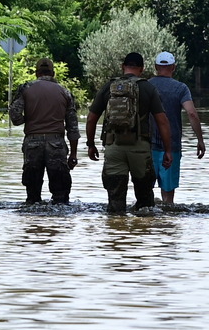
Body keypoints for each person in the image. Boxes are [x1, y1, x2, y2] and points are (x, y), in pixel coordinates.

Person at [86, 52, 174, 213]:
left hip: (113, 147)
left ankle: (117, 233)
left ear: (123, 67)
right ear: (141, 69)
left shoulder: (109, 86)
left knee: (115, 201)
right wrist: (168, 150)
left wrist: (91, 145)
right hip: (139, 148)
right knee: (145, 202)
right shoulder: (148, 87)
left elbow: (91, 119)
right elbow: (162, 121)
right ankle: (141, 233)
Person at [9, 57, 80, 204]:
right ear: (53, 73)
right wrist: (73, 154)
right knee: (61, 197)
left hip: (32, 143)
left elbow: (15, 116)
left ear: (36, 73)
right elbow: (72, 127)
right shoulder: (65, 92)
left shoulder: (26, 88)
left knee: (32, 196)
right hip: (56, 143)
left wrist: (28, 119)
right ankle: (57, 224)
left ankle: (34, 224)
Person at [147, 51, 206, 205]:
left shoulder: (146, 86)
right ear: (173, 67)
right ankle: (167, 226)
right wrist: (200, 140)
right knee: (168, 199)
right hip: (171, 147)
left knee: (145, 191)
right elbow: (192, 113)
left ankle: (145, 226)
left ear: (155, 67)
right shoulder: (181, 88)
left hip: (147, 146)